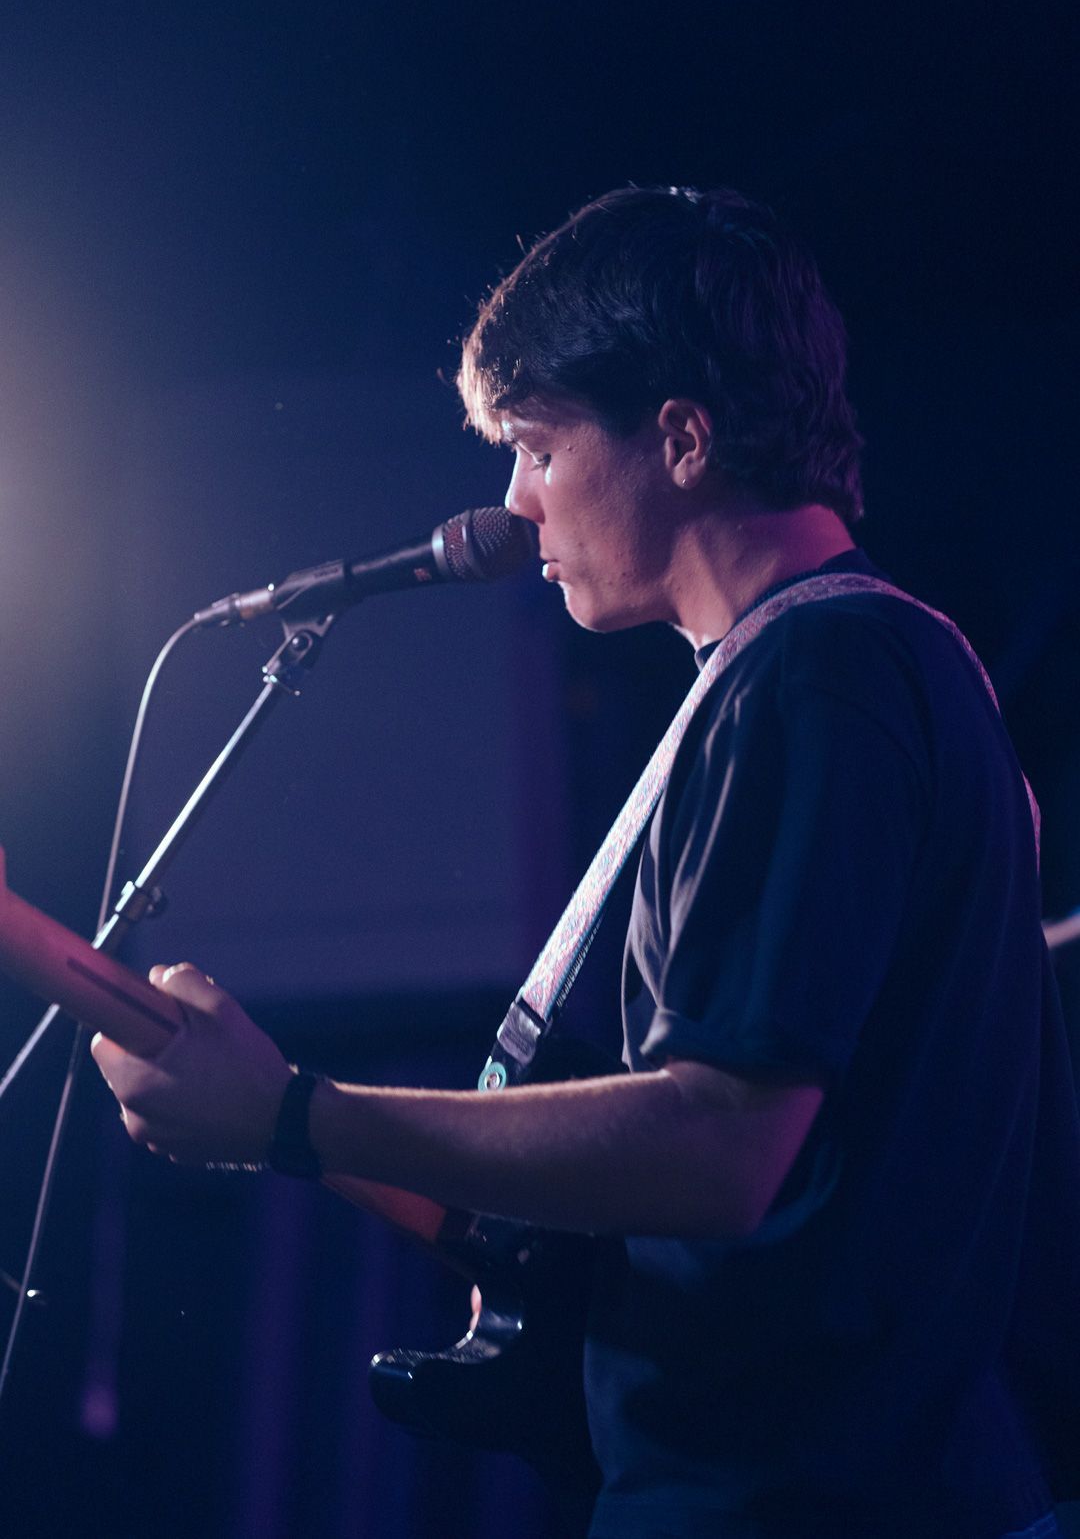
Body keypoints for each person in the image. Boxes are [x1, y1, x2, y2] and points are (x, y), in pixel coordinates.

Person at [92, 187, 1080, 1538]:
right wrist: (280, 1127)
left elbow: (723, 1147)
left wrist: (291, 1115)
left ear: (680, 436)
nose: (511, 506)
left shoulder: (822, 675)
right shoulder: (842, 673)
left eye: (539, 447)